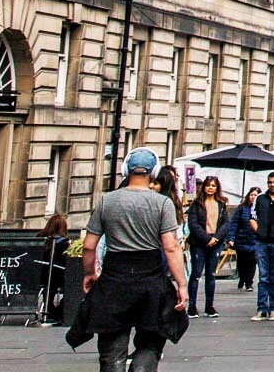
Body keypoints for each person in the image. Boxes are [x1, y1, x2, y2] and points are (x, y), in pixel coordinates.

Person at [68, 148, 189, 372]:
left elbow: (88, 245)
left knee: (112, 345)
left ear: (126, 170)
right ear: (153, 172)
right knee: (150, 340)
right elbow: (171, 247)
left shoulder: (107, 201)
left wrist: (89, 273)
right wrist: (181, 284)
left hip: (114, 278)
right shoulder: (163, 203)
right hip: (151, 279)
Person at [185, 176, 230, 318]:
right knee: (196, 274)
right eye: (208, 185)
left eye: (213, 185)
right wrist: (207, 238)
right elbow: (193, 224)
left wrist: (216, 238)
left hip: (215, 242)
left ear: (217, 188)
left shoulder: (221, 204)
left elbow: (226, 223)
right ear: (203, 187)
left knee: (211, 275)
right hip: (199, 243)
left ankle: (209, 306)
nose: (210, 188)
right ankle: (192, 306)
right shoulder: (196, 204)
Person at [249, 172, 274, 321]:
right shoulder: (260, 198)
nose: (272, 185)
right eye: (270, 182)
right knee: (263, 276)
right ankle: (261, 308)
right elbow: (252, 217)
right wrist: (258, 230)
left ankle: (273, 308)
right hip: (261, 241)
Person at [38, 213, 70, 323]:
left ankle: (49, 308)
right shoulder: (65, 244)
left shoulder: (39, 240)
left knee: (49, 285)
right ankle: (59, 311)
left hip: (39, 276)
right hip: (58, 276)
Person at [231, 189, 260, 292]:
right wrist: (231, 238)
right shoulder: (241, 208)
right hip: (241, 239)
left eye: (255, 195)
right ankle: (242, 278)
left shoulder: (260, 208)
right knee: (241, 262)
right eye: (251, 195)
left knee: (252, 261)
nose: (253, 197)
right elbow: (234, 223)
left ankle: (249, 282)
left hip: (254, 239)